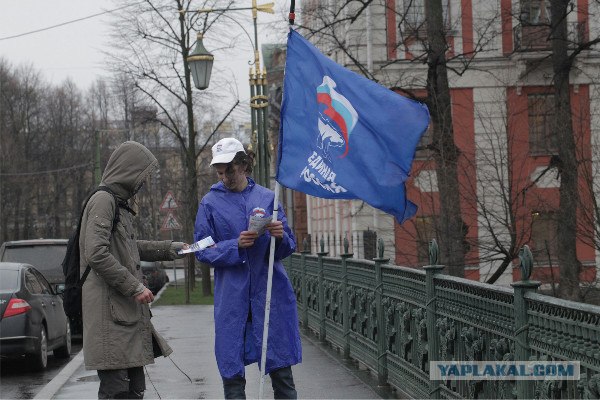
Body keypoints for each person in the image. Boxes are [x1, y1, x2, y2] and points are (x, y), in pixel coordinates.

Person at [194, 137, 301, 399]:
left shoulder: (267, 198)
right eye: (219, 171)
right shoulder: (209, 203)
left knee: (282, 374)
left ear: (243, 165)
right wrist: (235, 245)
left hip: (269, 295)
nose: (224, 176)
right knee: (232, 375)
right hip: (232, 299)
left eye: (229, 169)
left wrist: (279, 236)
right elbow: (202, 250)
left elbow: (288, 247)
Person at [79, 141, 187, 399]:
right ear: (129, 171)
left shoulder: (119, 204)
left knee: (133, 391)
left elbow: (129, 247)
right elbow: (96, 252)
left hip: (122, 316)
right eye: (142, 174)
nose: (143, 182)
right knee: (118, 393)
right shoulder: (104, 200)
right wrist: (134, 286)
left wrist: (170, 248)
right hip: (111, 319)